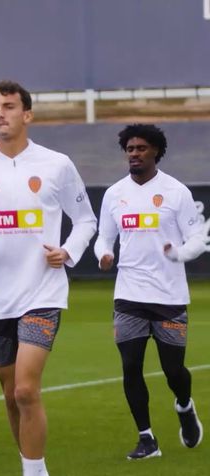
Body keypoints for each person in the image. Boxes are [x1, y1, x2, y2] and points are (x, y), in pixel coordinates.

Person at [0, 80, 97, 476]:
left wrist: (69, 252)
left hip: (43, 293)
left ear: (28, 114)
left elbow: (86, 220)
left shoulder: (56, 165)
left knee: (25, 389)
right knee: (10, 397)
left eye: (9, 107)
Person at [94, 123, 205, 458]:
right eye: (130, 149)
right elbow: (103, 237)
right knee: (131, 366)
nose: (134, 154)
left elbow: (197, 238)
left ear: (156, 151)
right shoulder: (115, 194)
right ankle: (147, 439)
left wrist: (179, 253)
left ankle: (185, 407)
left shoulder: (176, 192)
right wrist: (104, 254)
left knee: (174, 371)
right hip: (129, 294)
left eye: (141, 148)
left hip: (169, 297)